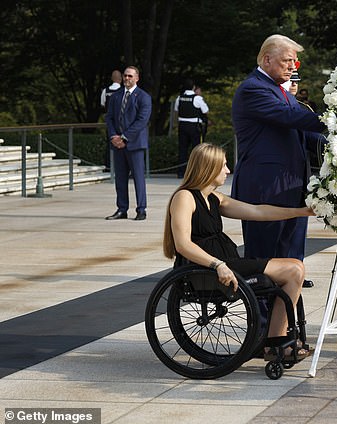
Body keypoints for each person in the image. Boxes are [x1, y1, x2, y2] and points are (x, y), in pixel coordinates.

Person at [163, 143, 313, 359]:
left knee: (295, 268)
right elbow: (182, 244)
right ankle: (274, 343)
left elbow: (257, 211)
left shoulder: (215, 198)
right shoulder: (184, 197)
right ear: (209, 167)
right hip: (206, 269)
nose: (228, 170)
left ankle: (275, 340)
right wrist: (217, 264)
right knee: (293, 270)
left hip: (226, 263)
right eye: (223, 165)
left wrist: (303, 211)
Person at [231, 34, 326, 289]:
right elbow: (290, 117)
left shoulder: (278, 90)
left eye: (295, 62)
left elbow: (303, 134)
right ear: (267, 59)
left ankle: (282, 324)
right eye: (287, 61)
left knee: (289, 261)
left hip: (290, 188)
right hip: (266, 190)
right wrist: (334, 116)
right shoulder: (254, 88)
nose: (293, 67)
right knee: (264, 264)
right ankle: (262, 325)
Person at [104, 66, 152, 221]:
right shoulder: (116, 96)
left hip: (135, 144)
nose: (127, 78)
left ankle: (141, 209)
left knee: (138, 178)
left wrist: (124, 138)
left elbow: (142, 121)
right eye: (125, 76)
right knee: (120, 179)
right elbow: (109, 117)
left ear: (137, 78)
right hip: (117, 144)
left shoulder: (143, 97)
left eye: (130, 76)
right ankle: (122, 209)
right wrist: (113, 136)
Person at [174, 78, 210, 178]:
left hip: (182, 126)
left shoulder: (179, 98)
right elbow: (206, 111)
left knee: (182, 149)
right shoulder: (197, 98)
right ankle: (196, 173)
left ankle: (181, 172)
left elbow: (176, 110)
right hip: (194, 126)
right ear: (193, 87)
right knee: (196, 150)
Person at [100, 70, 122, 171]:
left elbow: (103, 104)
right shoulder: (123, 90)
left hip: (109, 121)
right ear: (120, 79)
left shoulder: (106, 91)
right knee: (122, 143)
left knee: (110, 143)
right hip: (121, 121)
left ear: (112, 79)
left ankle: (109, 166)